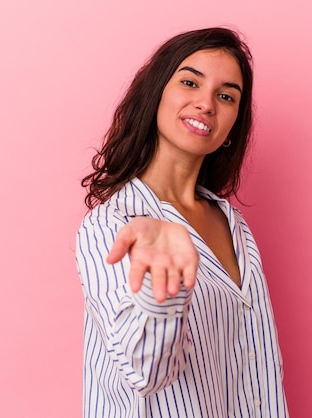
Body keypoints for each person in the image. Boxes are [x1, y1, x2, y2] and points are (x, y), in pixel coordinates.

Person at [76, 27, 288, 417]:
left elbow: (254, 372)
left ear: (231, 127)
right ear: (155, 94)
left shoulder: (232, 223)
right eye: (190, 82)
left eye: (226, 96)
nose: (206, 103)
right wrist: (166, 280)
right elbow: (144, 371)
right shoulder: (111, 225)